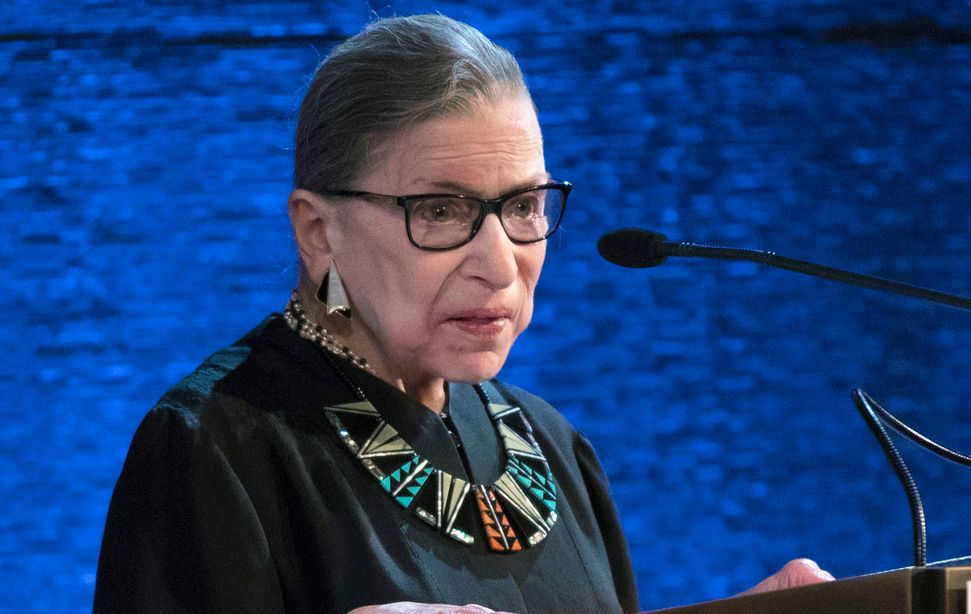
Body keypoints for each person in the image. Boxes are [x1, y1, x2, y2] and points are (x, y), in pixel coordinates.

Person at [94, 14, 832, 614]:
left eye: (522, 207)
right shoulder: (217, 444)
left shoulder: (551, 443)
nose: (499, 260)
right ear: (318, 230)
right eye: (440, 211)